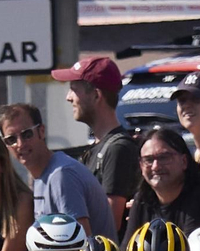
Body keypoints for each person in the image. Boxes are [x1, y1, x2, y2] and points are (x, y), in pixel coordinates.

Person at [0, 104, 112, 239]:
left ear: (41, 131)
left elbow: (82, 242)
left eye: (26, 134)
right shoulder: (40, 177)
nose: (20, 144)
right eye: (11, 139)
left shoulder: (62, 175)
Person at [53, 57, 140, 226]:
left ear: (96, 95)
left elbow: (109, 223)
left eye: (73, 89)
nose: (68, 97)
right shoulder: (99, 147)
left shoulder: (118, 149)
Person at [122, 126, 200, 241]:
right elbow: (127, 250)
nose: (156, 166)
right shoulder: (142, 199)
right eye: (148, 160)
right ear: (141, 166)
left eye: (164, 158)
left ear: (184, 161)